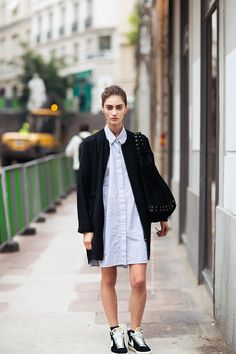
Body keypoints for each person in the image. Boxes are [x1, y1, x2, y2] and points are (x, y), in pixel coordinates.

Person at [77, 85, 169, 354]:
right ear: (103, 109)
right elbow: (83, 188)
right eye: (109, 107)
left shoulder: (139, 142)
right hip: (105, 221)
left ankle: (136, 330)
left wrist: (161, 214)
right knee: (108, 278)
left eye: (119, 107)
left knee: (138, 279)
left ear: (126, 108)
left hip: (134, 218)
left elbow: (152, 179)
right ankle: (115, 330)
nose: (114, 112)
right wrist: (86, 229)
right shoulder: (90, 145)